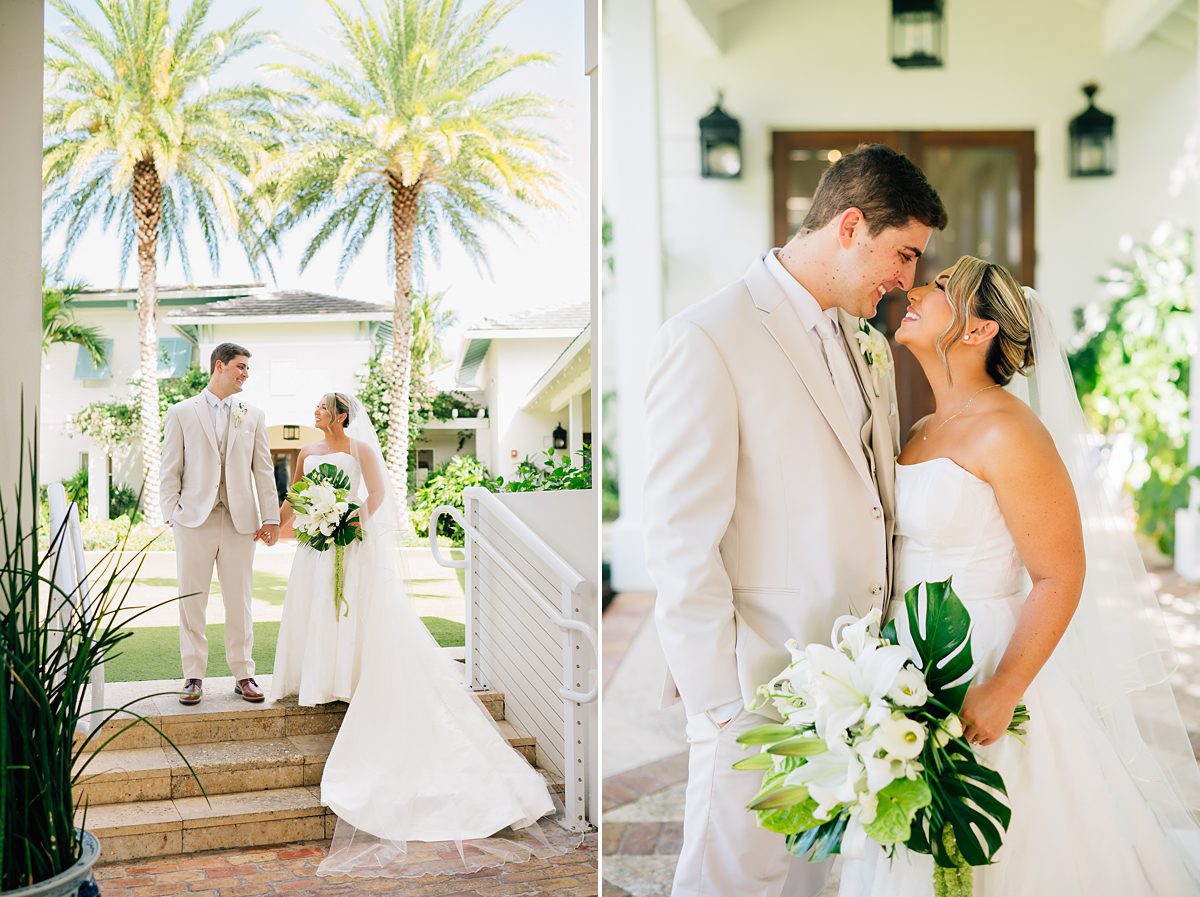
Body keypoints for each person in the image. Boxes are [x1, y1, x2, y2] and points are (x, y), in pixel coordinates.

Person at [838, 257, 1200, 895]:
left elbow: (1061, 574)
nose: (915, 289)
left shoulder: (1011, 432)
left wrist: (1004, 688)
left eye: (942, 288)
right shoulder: (920, 429)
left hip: (984, 657)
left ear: (978, 331)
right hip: (908, 662)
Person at [643, 144, 948, 897]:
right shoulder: (708, 337)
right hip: (755, 693)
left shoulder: (868, 343)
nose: (907, 281)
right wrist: (719, 706)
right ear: (850, 226)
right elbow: (681, 539)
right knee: (731, 882)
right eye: (904, 254)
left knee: (811, 886)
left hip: (855, 692)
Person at [270, 393, 571, 877]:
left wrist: (348, 522)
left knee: (356, 615)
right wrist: (281, 525)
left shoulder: (360, 448)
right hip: (316, 546)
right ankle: (320, 677)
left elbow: (377, 495)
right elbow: (297, 498)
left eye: (322, 408)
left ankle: (353, 676)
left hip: (352, 541)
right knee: (318, 612)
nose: (316, 414)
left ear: (341, 415)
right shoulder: (305, 453)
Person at [160, 342, 280, 706]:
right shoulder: (181, 412)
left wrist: (271, 517)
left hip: (241, 521)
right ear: (220, 366)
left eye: (248, 369)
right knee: (191, 600)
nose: (246, 374)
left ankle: (243, 673)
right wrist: (173, 515)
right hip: (194, 520)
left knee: (239, 600)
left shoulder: (253, 414)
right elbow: (170, 469)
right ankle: (193, 676)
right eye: (241, 367)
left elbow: (263, 470)